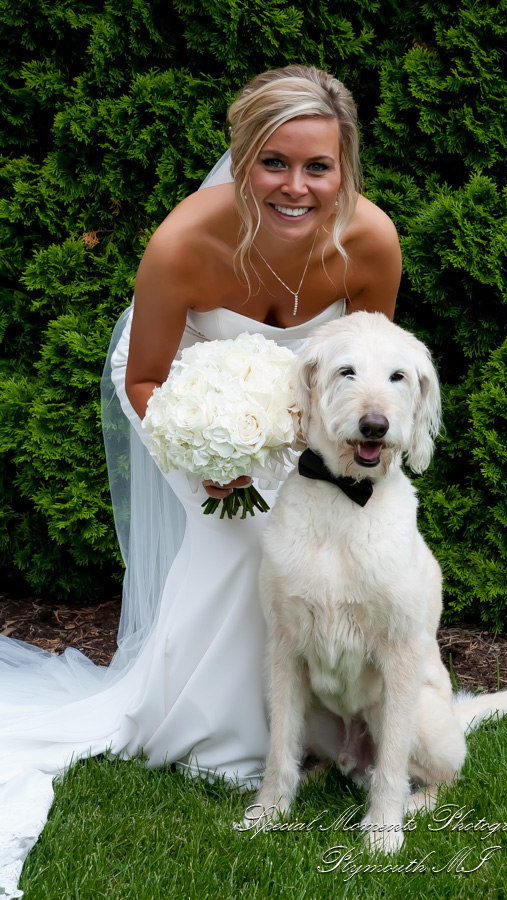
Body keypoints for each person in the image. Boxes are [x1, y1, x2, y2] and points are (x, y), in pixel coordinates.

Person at [0, 65, 400, 897]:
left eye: (316, 167)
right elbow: (145, 377)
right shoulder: (184, 242)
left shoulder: (370, 243)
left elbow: (367, 369)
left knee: (317, 537)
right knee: (245, 536)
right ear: (241, 155)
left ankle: (325, 723)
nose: (294, 187)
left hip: (305, 417)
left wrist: (330, 457)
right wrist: (208, 459)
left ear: (345, 166)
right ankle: (217, 731)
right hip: (191, 402)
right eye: (273, 163)